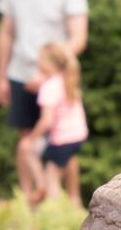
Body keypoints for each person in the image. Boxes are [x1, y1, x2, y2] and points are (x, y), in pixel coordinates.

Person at [0, 0, 88, 202]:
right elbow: (6, 33)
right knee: (26, 138)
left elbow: (78, 38)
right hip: (20, 74)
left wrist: (49, 73)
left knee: (63, 141)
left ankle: (72, 203)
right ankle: (29, 200)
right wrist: (2, 76)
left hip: (57, 80)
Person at [25, 43, 88, 206]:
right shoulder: (67, 80)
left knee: (51, 178)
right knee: (49, 167)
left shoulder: (49, 87)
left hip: (62, 139)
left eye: (40, 58)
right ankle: (44, 188)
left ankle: (55, 211)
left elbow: (47, 121)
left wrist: (31, 137)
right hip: (77, 135)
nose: (37, 62)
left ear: (49, 63)